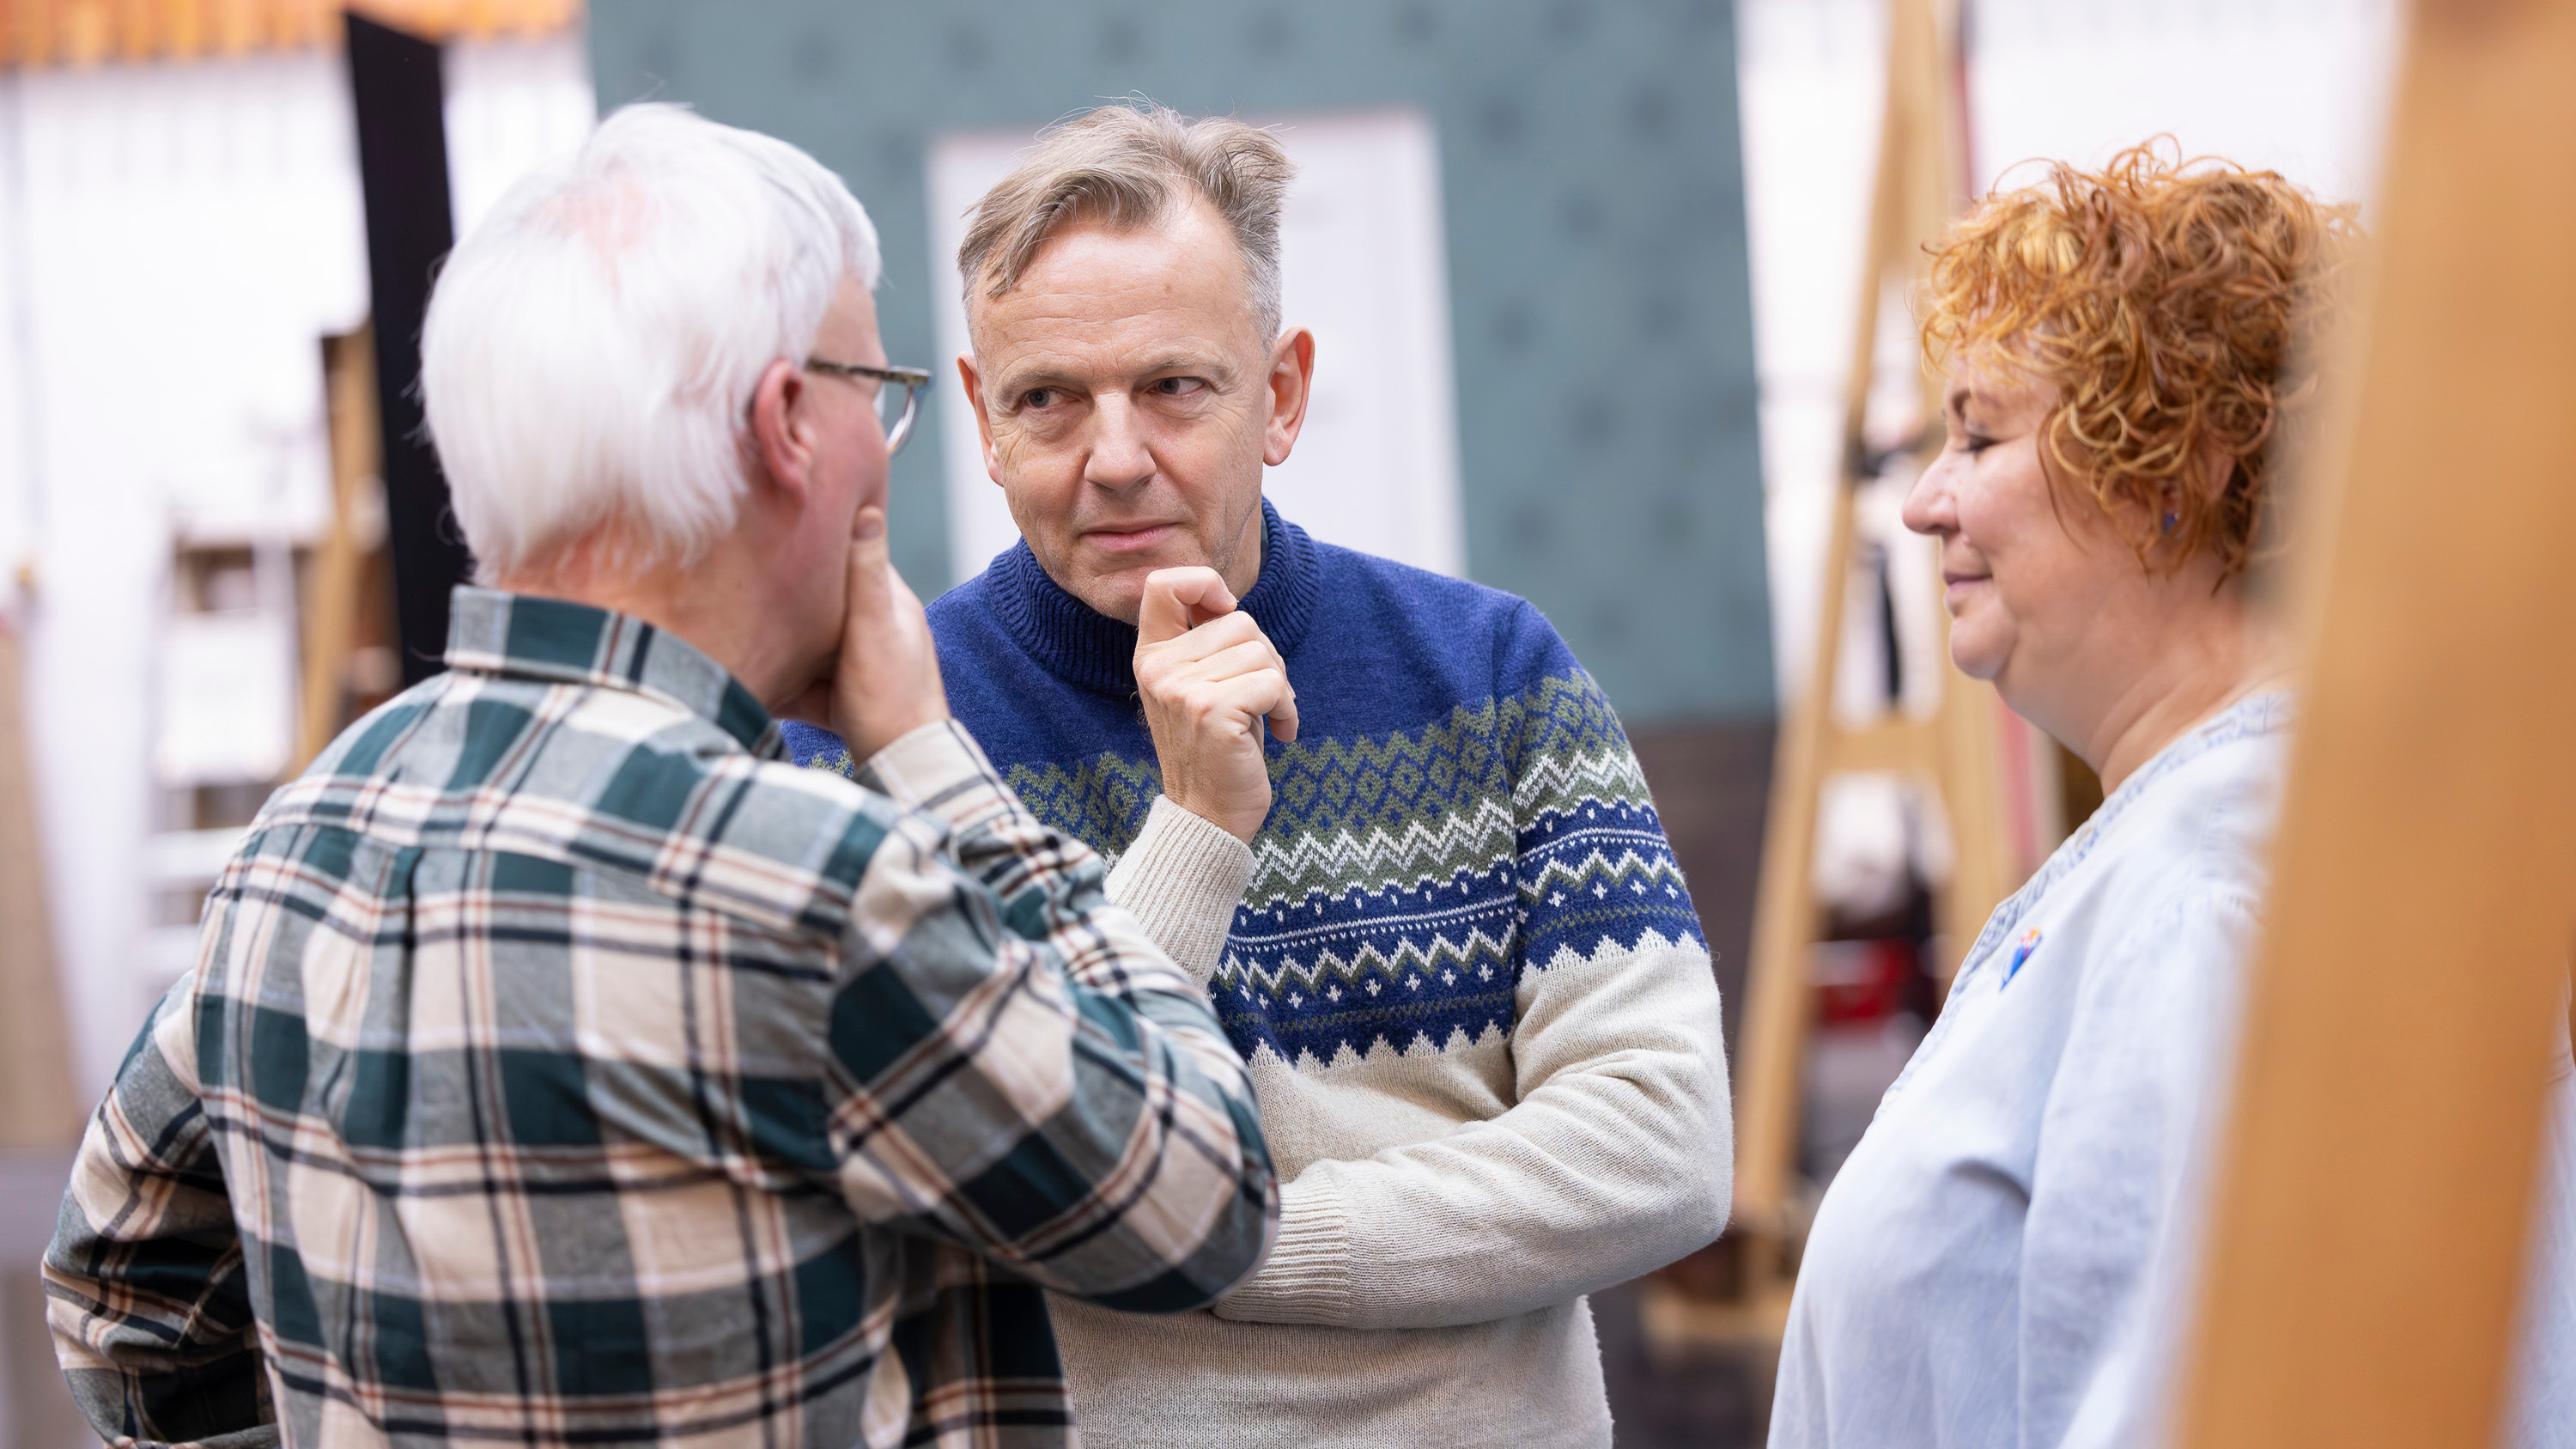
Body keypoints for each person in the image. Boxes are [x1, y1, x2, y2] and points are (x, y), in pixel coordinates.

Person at [45, 104, 1276, 1449]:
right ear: (787, 427)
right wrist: (933, 761)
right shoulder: (799, 883)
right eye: (878, 394)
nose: (886, 446)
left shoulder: (307, 832)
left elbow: (118, 1301)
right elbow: (1199, 1196)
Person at [785, 101, 1731, 1446]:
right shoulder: (885, 729)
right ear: (984, 419)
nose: (1114, 460)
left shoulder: (1494, 671)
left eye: (1175, 387)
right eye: (1050, 400)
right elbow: (957, 1167)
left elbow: (1661, 1150)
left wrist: (1224, 1243)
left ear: (1278, 395)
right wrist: (1191, 834)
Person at [1769, 146, 2576, 1447]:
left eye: (1978, 432)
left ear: (2178, 468)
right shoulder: (2265, 849)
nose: (1925, 502)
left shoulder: (2207, 893)